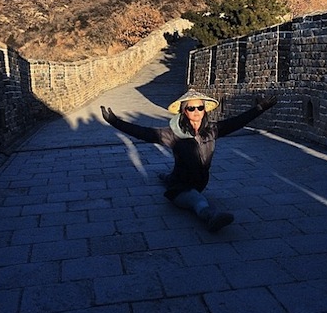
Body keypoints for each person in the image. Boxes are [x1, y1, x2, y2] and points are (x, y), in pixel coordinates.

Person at [101, 89, 277, 232]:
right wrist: (115, 122)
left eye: (200, 108)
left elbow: (237, 122)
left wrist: (260, 108)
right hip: (181, 187)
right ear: (184, 111)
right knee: (196, 200)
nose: (196, 112)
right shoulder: (171, 135)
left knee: (172, 178)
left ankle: (166, 177)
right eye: (191, 108)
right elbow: (143, 133)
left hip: (200, 182)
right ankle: (211, 217)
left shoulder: (212, 130)